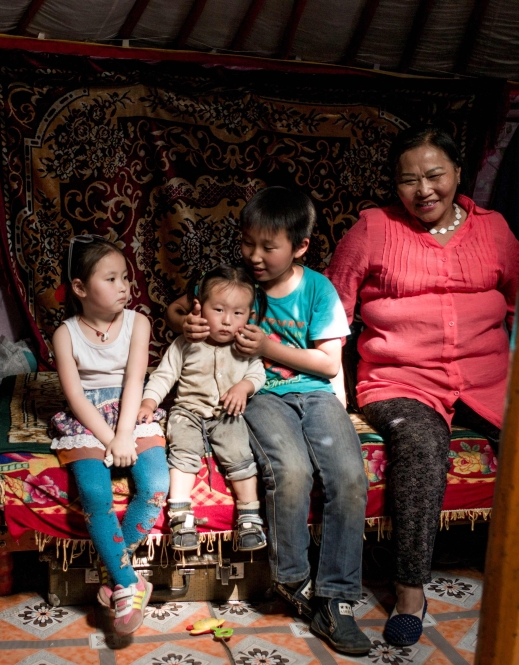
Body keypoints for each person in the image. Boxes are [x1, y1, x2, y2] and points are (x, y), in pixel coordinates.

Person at [326, 125, 519, 646]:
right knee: (421, 444)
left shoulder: (493, 229)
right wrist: (328, 385)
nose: (424, 190)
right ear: (394, 187)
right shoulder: (373, 229)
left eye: (435, 175)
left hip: (488, 378)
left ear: (459, 174)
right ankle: (409, 591)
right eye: (409, 180)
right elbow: (333, 308)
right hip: (402, 379)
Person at [168, 187, 371, 656]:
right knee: (293, 471)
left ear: (299, 246)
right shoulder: (238, 285)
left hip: (316, 394)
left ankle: (337, 598)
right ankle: (294, 579)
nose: (254, 256)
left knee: (349, 477)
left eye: (268, 246)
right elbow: (180, 307)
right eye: (247, 243)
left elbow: (327, 364)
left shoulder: (318, 289)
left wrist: (267, 349)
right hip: (259, 395)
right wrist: (185, 324)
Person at [50, 234, 170, 636]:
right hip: (87, 418)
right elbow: (76, 398)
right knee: (96, 495)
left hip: (130, 409)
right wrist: (108, 439)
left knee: (155, 485)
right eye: (112, 279)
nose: (125, 287)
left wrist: (125, 435)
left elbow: (135, 379)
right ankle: (129, 584)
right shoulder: (65, 334)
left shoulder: (139, 323)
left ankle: (114, 575)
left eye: (126, 278)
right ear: (81, 288)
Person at [137, 264, 268, 553]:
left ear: (250, 315)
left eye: (238, 313)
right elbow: (164, 375)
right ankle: (181, 514)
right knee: (183, 450)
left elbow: (257, 373)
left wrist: (243, 387)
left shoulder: (244, 345)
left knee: (238, 452)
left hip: (227, 412)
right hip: (188, 410)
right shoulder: (185, 343)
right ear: (199, 307)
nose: (226, 321)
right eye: (218, 310)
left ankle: (249, 515)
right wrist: (149, 402)